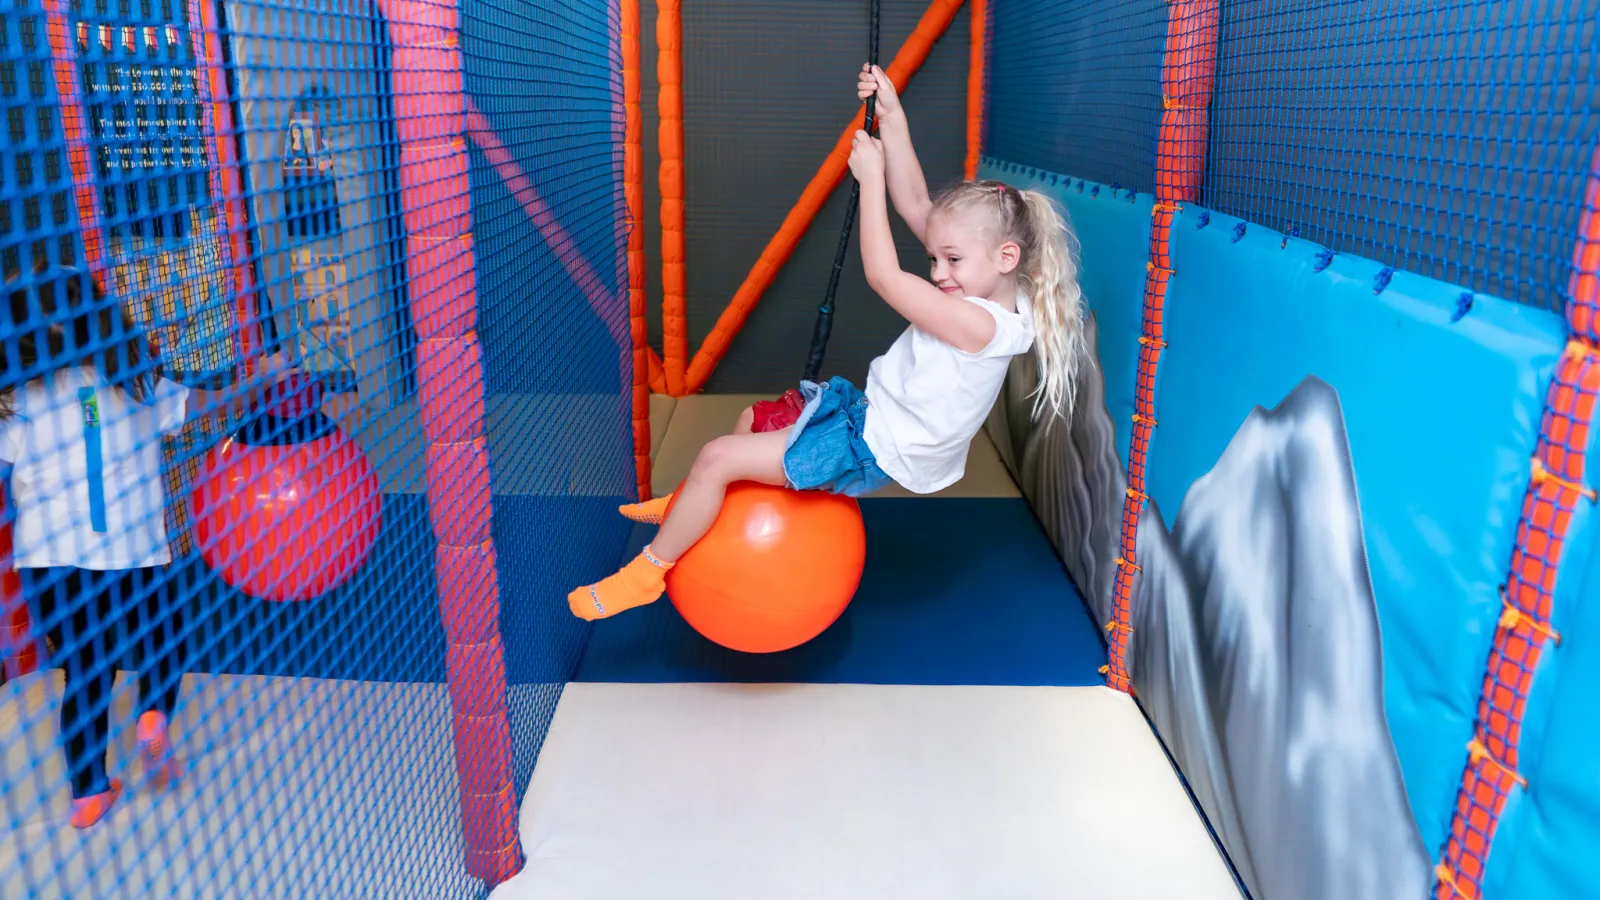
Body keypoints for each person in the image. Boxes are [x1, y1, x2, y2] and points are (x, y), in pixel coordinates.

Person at [568, 62, 1086, 621]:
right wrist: (892, 116)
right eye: (935, 257)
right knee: (752, 420)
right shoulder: (997, 284)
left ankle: (646, 574)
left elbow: (884, 276)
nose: (939, 272)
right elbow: (917, 205)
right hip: (868, 415)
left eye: (951, 260)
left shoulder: (981, 327)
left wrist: (869, 182)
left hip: (873, 446)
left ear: (1006, 257)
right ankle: (687, 505)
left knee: (717, 456)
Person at [1, 267, 292, 828]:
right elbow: (211, 405)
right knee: (164, 637)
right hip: (132, 551)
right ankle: (154, 713)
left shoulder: (19, 400)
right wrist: (262, 379)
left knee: (85, 669)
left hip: (49, 559)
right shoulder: (135, 383)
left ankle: (88, 793)